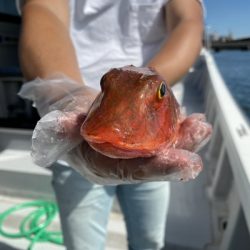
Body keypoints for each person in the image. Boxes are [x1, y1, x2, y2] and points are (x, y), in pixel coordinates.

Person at [17, 0, 204, 249]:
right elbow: (43, 9)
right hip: (78, 120)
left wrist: (153, 83)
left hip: (158, 88)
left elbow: (188, 20)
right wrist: (65, 94)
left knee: (149, 241)